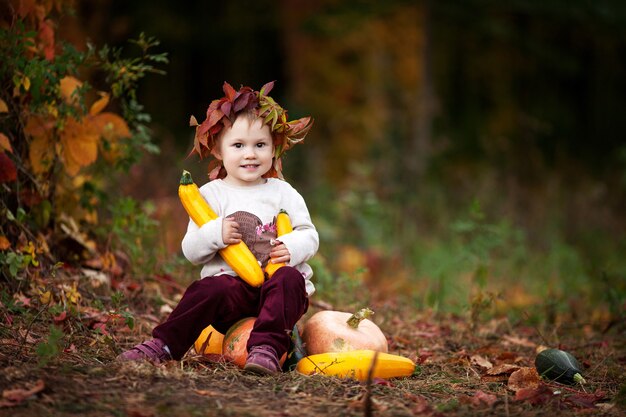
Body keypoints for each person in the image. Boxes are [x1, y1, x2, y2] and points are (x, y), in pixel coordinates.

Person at [118, 81, 318, 375]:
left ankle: (266, 349)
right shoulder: (210, 195)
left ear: (274, 148)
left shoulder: (283, 192)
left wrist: (293, 247)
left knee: (289, 279)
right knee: (208, 289)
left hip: (279, 298)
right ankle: (164, 345)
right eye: (238, 145)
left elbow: (309, 234)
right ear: (219, 151)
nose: (250, 154)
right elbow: (191, 251)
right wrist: (214, 234)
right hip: (232, 296)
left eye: (259, 145)